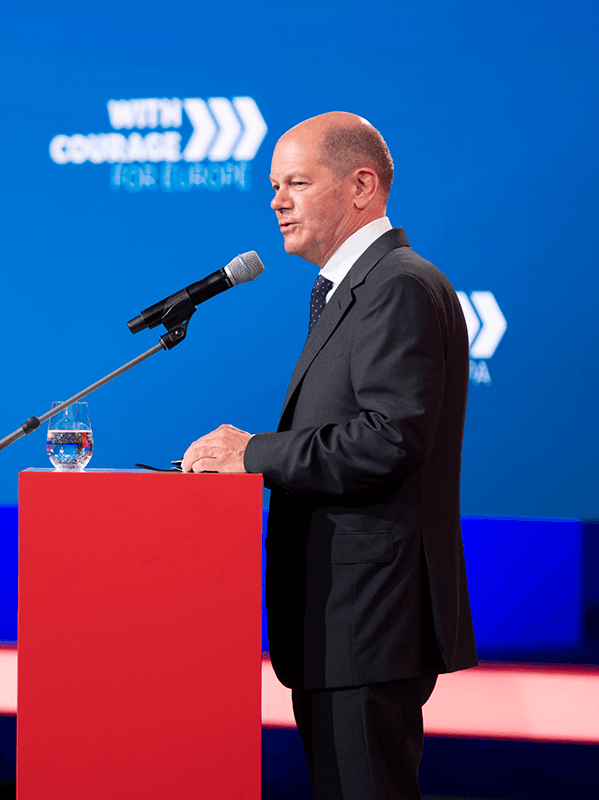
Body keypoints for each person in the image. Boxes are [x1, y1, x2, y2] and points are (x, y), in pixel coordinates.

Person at [181, 112, 476, 799]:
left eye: (296, 183)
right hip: (340, 618)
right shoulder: (356, 289)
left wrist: (255, 453)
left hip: (368, 617)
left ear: (361, 186)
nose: (276, 201)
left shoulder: (397, 285)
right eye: (273, 186)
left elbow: (391, 436)